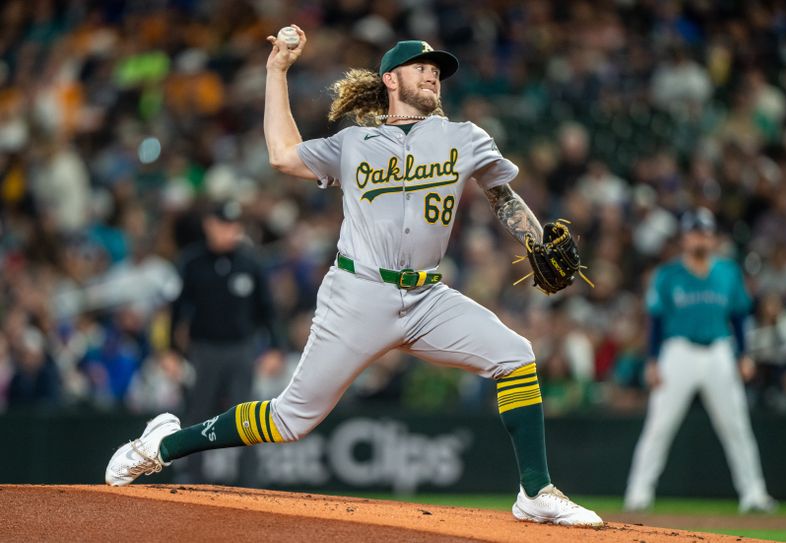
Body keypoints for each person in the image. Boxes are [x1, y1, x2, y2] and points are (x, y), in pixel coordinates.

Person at [105, 27, 602, 527]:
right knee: (289, 420)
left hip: (427, 295)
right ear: (391, 79)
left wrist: (535, 240)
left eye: (438, 69)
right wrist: (276, 70)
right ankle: (161, 445)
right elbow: (281, 153)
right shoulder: (354, 143)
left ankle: (535, 491)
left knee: (515, 355)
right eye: (421, 66)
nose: (433, 73)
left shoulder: (465, 137)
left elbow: (504, 198)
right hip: (359, 292)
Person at [624, 208, 776, 513]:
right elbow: (655, 320)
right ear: (684, 238)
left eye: (705, 232)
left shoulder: (728, 272)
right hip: (677, 352)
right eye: (694, 232)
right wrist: (653, 360)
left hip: (719, 351)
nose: (700, 238)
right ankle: (638, 494)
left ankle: (754, 494)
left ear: (713, 237)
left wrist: (743, 355)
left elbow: (738, 316)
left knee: (736, 426)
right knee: (659, 426)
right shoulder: (667, 275)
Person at [167, 199, 282, 481]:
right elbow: (177, 309)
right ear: (209, 225)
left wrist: (276, 348)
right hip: (204, 351)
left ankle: (250, 484)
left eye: (233, 225)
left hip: (241, 350)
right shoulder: (192, 262)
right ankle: (190, 481)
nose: (229, 231)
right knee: (197, 415)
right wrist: (169, 350)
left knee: (247, 417)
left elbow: (267, 311)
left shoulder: (250, 262)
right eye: (223, 225)